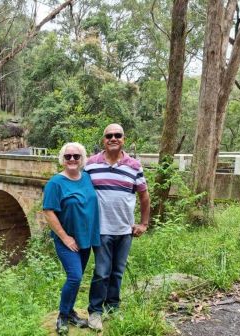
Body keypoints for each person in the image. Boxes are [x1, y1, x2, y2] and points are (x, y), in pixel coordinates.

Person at [84, 124, 150, 331]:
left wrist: (144, 223)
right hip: (101, 229)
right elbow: (80, 190)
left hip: (125, 230)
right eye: (109, 135)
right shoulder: (91, 164)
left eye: (117, 135)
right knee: (102, 272)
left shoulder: (134, 166)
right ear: (104, 140)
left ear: (123, 139)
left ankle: (113, 308)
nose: (113, 138)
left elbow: (144, 196)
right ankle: (95, 312)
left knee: (117, 272)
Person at [43, 142, 100, 335]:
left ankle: (71, 312)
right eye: (68, 157)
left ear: (82, 159)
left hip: (86, 238)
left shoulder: (87, 178)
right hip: (67, 240)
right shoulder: (55, 183)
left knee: (77, 277)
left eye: (76, 156)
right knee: (75, 277)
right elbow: (49, 212)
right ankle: (63, 316)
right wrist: (65, 237)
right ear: (63, 160)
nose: (72, 160)